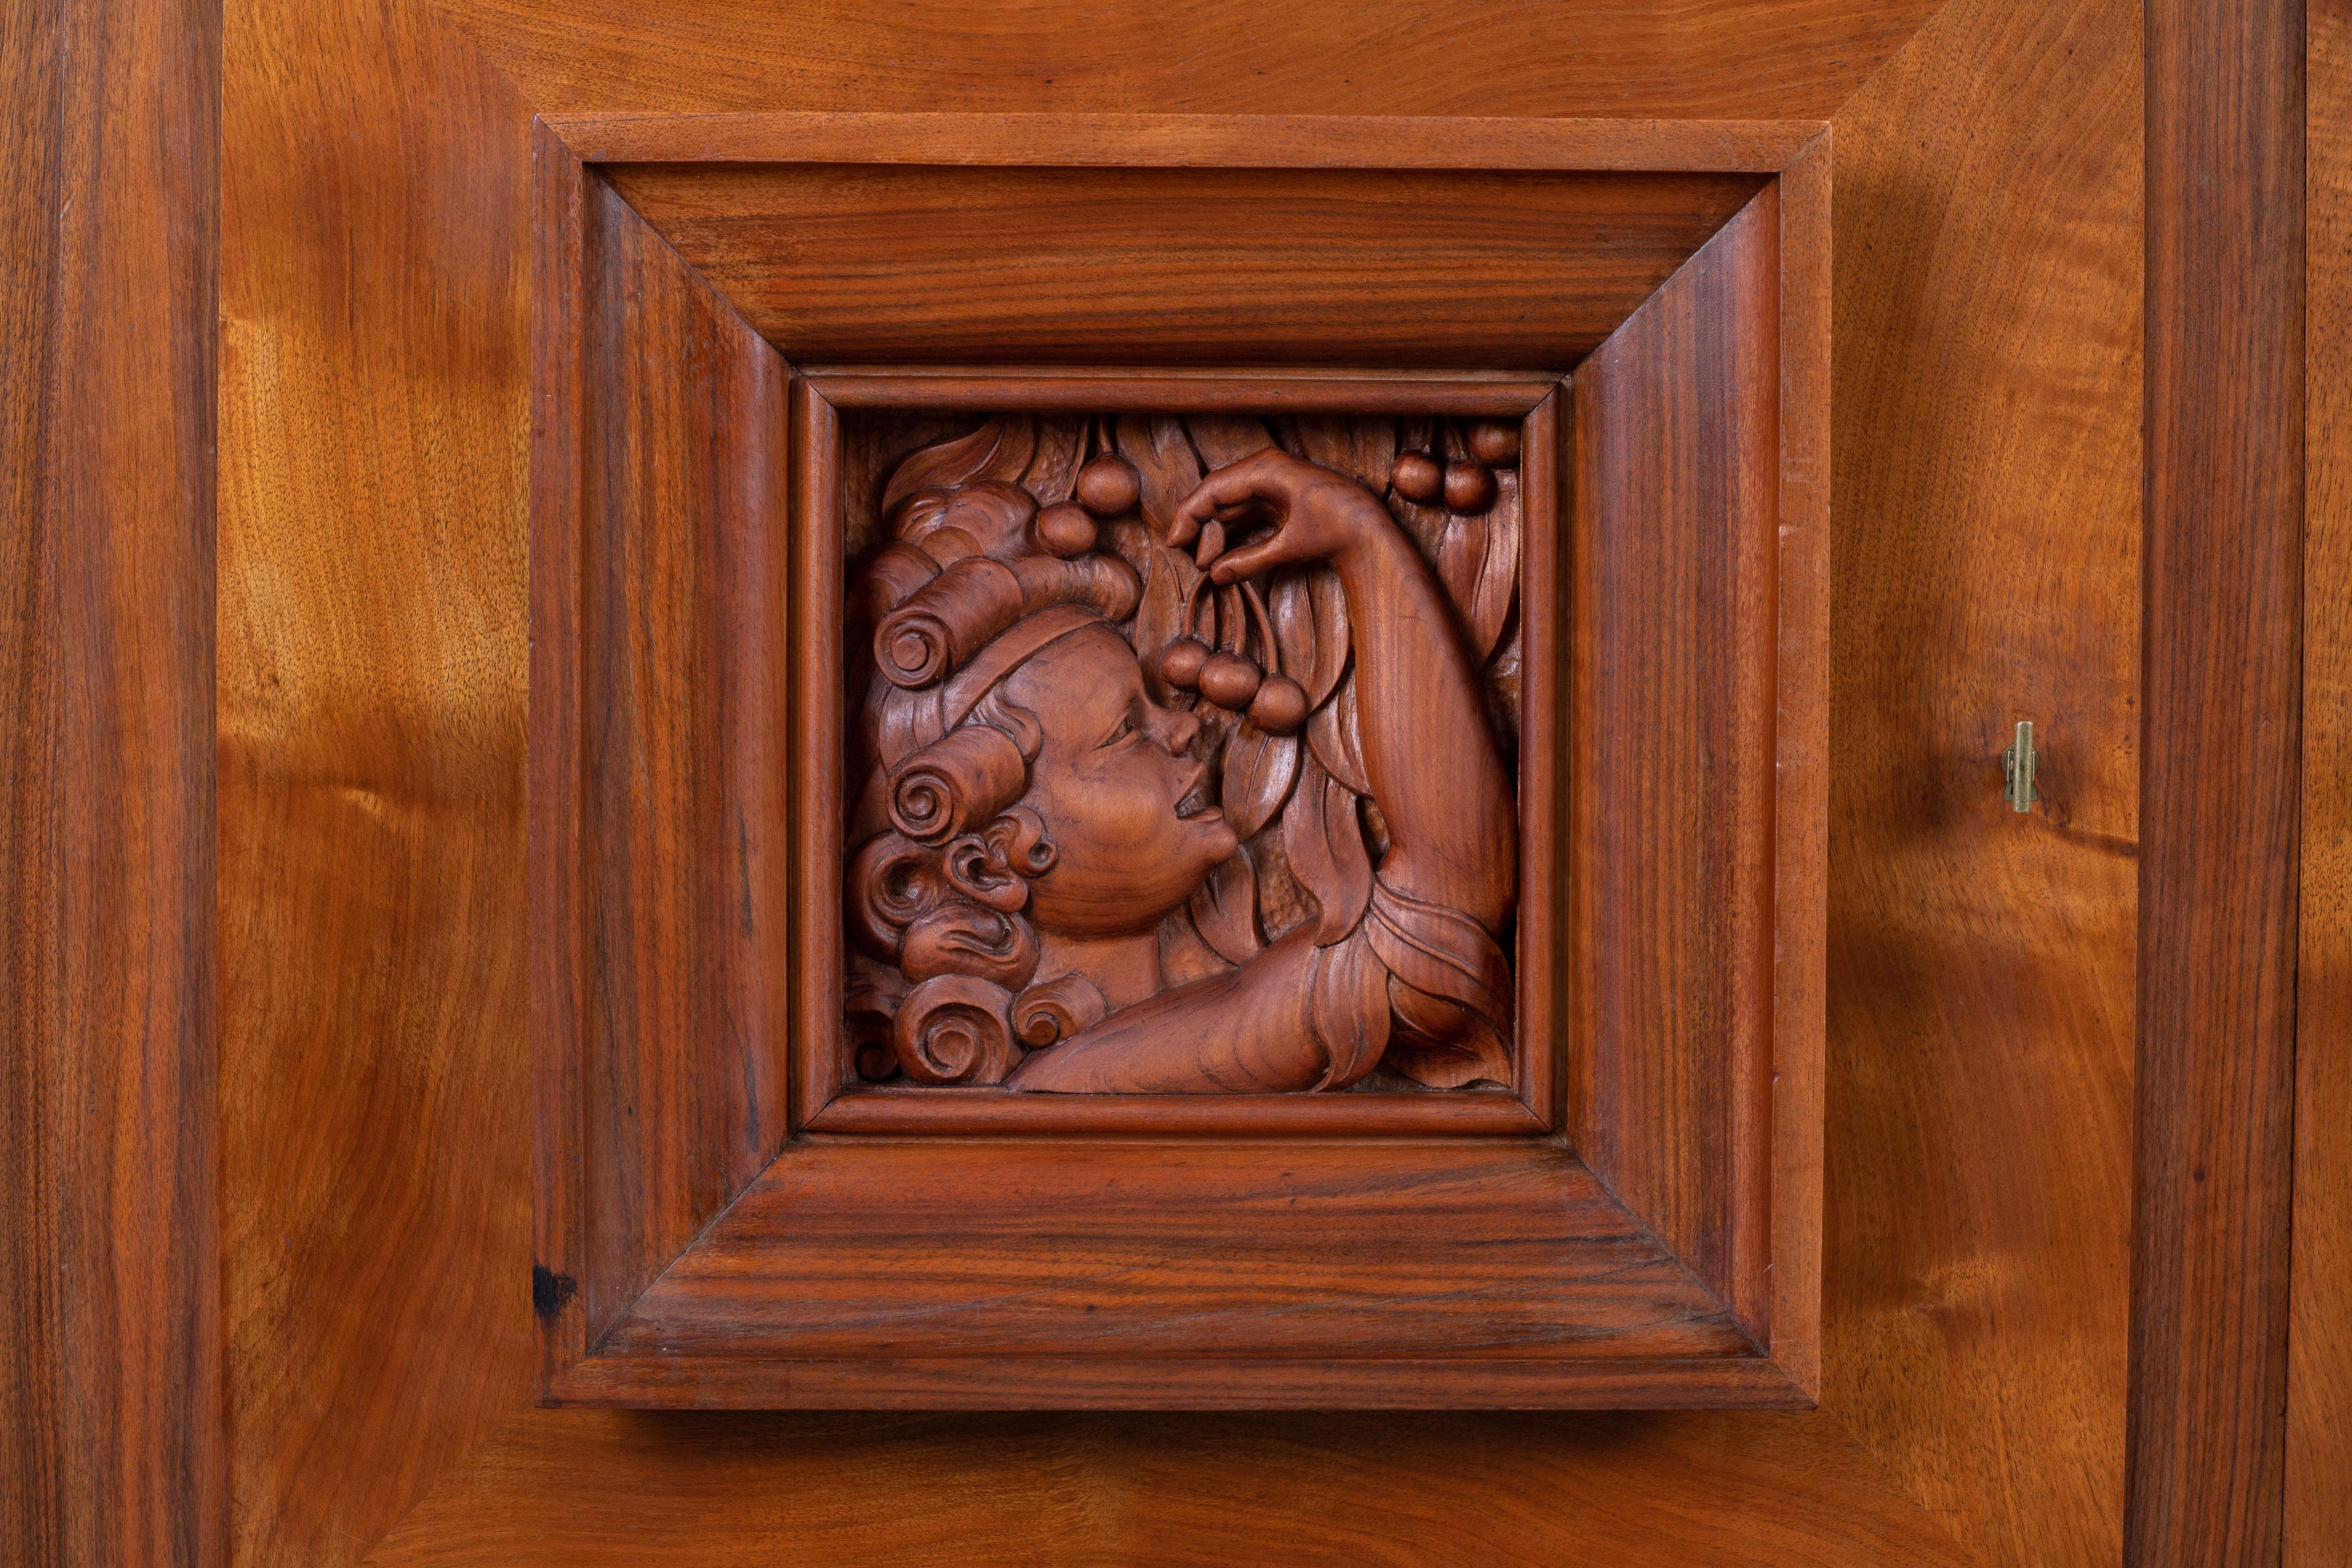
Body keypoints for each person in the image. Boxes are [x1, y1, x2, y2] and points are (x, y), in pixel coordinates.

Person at [846, 435, 1514, 1093]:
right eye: (1125, 731)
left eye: (1154, 705)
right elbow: (1443, 907)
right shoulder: (1080, 1079)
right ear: (990, 865)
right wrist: (1362, 539)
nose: (1185, 726)